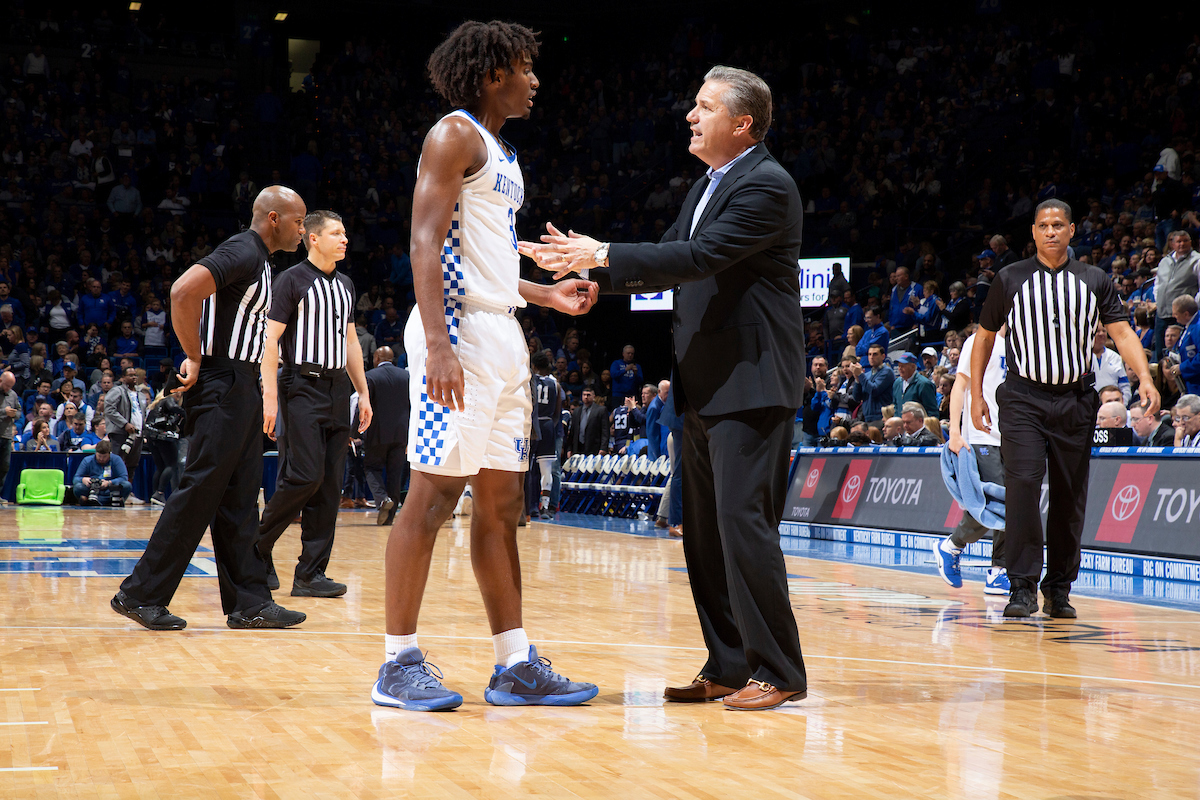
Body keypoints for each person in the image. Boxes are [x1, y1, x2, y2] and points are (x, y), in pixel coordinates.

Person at [525, 65, 807, 710]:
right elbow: (671, 253)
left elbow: (699, 259)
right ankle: (730, 664)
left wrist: (600, 252)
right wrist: (597, 278)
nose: (690, 115)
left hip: (751, 381)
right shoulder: (711, 184)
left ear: (742, 124)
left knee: (744, 527)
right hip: (704, 383)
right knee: (704, 533)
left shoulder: (765, 184)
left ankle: (780, 671)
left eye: (704, 107)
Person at [372, 21, 599, 713]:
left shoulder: (501, 152)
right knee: (432, 495)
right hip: (460, 337)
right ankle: (397, 663)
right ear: (494, 71)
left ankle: (514, 663)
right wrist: (438, 344)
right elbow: (424, 239)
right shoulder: (455, 135)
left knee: (503, 506)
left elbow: (486, 259)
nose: (535, 80)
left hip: (502, 332)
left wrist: (543, 295)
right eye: (525, 68)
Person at [114, 185, 308, 632]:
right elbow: (183, 292)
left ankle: (249, 602)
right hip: (222, 381)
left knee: (240, 498)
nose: (303, 231)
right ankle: (140, 593)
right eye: (298, 222)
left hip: (240, 383)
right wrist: (196, 355)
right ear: (274, 219)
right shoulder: (243, 249)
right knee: (199, 491)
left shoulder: (260, 261)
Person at [971, 199, 1159, 620]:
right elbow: (984, 338)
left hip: (1076, 399)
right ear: (1033, 233)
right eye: (1043, 225)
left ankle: (1058, 589)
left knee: (1070, 497)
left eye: (1058, 224)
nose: (1051, 231)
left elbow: (1122, 331)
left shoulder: (1094, 279)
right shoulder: (1010, 278)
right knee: (1022, 488)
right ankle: (1020, 586)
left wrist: (1144, 377)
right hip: (1022, 399)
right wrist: (976, 396)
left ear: (1072, 230)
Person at [255, 210, 372, 599]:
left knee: (330, 484)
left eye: (345, 232)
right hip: (300, 384)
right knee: (304, 476)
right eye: (337, 233)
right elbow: (270, 341)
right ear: (314, 239)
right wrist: (269, 394)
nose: (345, 239)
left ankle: (310, 574)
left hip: (338, 388)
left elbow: (351, 342)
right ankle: (255, 547)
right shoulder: (291, 280)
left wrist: (363, 393)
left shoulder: (346, 285)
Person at [362, 345, 410, 527]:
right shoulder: (406, 377)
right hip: (401, 434)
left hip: (377, 433)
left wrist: (353, 432)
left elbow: (363, 406)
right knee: (395, 475)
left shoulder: (370, 376)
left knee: (371, 468)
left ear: (375, 359)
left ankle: (382, 500)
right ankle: (389, 518)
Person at [529, 350, 561, 519]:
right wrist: (549, 426)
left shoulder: (529, 380)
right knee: (546, 470)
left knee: (529, 468)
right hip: (548, 424)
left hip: (532, 424)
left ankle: (530, 505)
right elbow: (558, 413)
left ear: (534, 366)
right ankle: (545, 507)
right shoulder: (555, 384)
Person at [103, 366, 145, 496]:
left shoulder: (141, 394)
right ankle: (114, 492)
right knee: (117, 462)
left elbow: (141, 413)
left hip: (137, 434)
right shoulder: (117, 391)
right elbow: (109, 410)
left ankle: (127, 492)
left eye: (135, 375)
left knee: (132, 464)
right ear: (123, 378)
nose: (134, 377)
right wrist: (124, 424)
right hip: (120, 433)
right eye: (130, 375)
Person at [73, 440, 130, 506]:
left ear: (109, 454)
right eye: (99, 456)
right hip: (92, 490)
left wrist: (109, 482)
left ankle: (114, 499)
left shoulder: (116, 459)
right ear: (95, 453)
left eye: (104, 456)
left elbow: (124, 477)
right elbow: (76, 478)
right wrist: (83, 480)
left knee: (127, 485)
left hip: (110, 489)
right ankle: (92, 500)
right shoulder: (87, 460)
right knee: (78, 487)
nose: (101, 459)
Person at [851, 344, 894, 423]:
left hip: (881, 417)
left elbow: (874, 390)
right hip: (867, 417)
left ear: (883, 356)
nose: (871, 357)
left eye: (875, 354)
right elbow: (857, 397)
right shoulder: (867, 375)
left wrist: (860, 375)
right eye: (869, 354)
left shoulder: (887, 372)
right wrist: (857, 380)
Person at [567, 387, 606, 456]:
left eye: (588, 395)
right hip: (578, 446)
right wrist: (569, 449)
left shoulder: (601, 410)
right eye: (584, 395)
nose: (586, 397)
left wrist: (603, 447)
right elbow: (572, 432)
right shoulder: (577, 411)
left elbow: (605, 431)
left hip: (594, 446)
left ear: (593, 396)